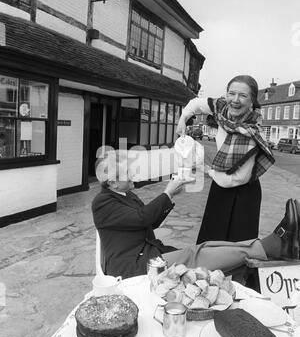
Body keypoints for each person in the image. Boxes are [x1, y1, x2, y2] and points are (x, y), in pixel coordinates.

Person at [92, 154, 299, 279]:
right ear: (112, 183)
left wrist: (171, 198)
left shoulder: (125, 195)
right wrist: (167, 193)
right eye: (126, 173)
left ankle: (269, 246)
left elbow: (151, 223)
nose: (132, 174)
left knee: (205, 248)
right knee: (195, 255)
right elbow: (142, 218)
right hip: (134, 268)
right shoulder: (102, 203)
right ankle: (272, 246)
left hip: (147, 256)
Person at [176, 75, 276, 247]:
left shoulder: (251, 132)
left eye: (243, 95)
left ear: (252, 100)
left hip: (244, 191)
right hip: (220, 186)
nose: (235, 100)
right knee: (211, 241)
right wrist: (182, 119)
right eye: (232, 93)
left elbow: (236, 179)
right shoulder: (221, 109)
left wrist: (205, 168)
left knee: (238, 249)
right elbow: (195, 103)